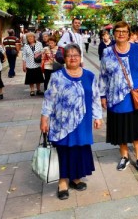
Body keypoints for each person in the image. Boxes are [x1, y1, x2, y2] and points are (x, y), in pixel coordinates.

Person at [40, 43, 103, 200]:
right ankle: (62, 181)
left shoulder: (89, 76)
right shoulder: (57, 77)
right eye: (69, 55)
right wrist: (44, 119)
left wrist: (98, 116)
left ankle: (75, 178)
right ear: (64, 59)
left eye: (76, 55)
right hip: (62, 122)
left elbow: (95, 97)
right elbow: (49, 99)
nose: (73, 58)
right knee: (64, 149)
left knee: (80, 148)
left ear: (80, 57)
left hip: (83, 121)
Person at [98, 22, 138, 173]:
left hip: (134, 96)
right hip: (114, 96)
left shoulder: (137, 49)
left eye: (124, 31)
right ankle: (124, 156)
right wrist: (102, 95)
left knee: (136, 127)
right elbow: (103, 75)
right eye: (118, 31)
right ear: (114, 33)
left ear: (128, 34)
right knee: (120, 128)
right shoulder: (107, 52)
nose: (121, 34)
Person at [23, 32, 44, 97]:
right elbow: (24, 55)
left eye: (31, 37)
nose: (30, 38)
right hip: (29, 64)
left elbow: (42, 52)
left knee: (38, 78)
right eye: (28, 37)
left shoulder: (39, 44)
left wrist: (39, 55)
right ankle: (32, 90)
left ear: (34, 37)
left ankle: (38, 90)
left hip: (38, 64)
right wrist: (24, 64)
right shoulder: (25, 45)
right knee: (31, 79)